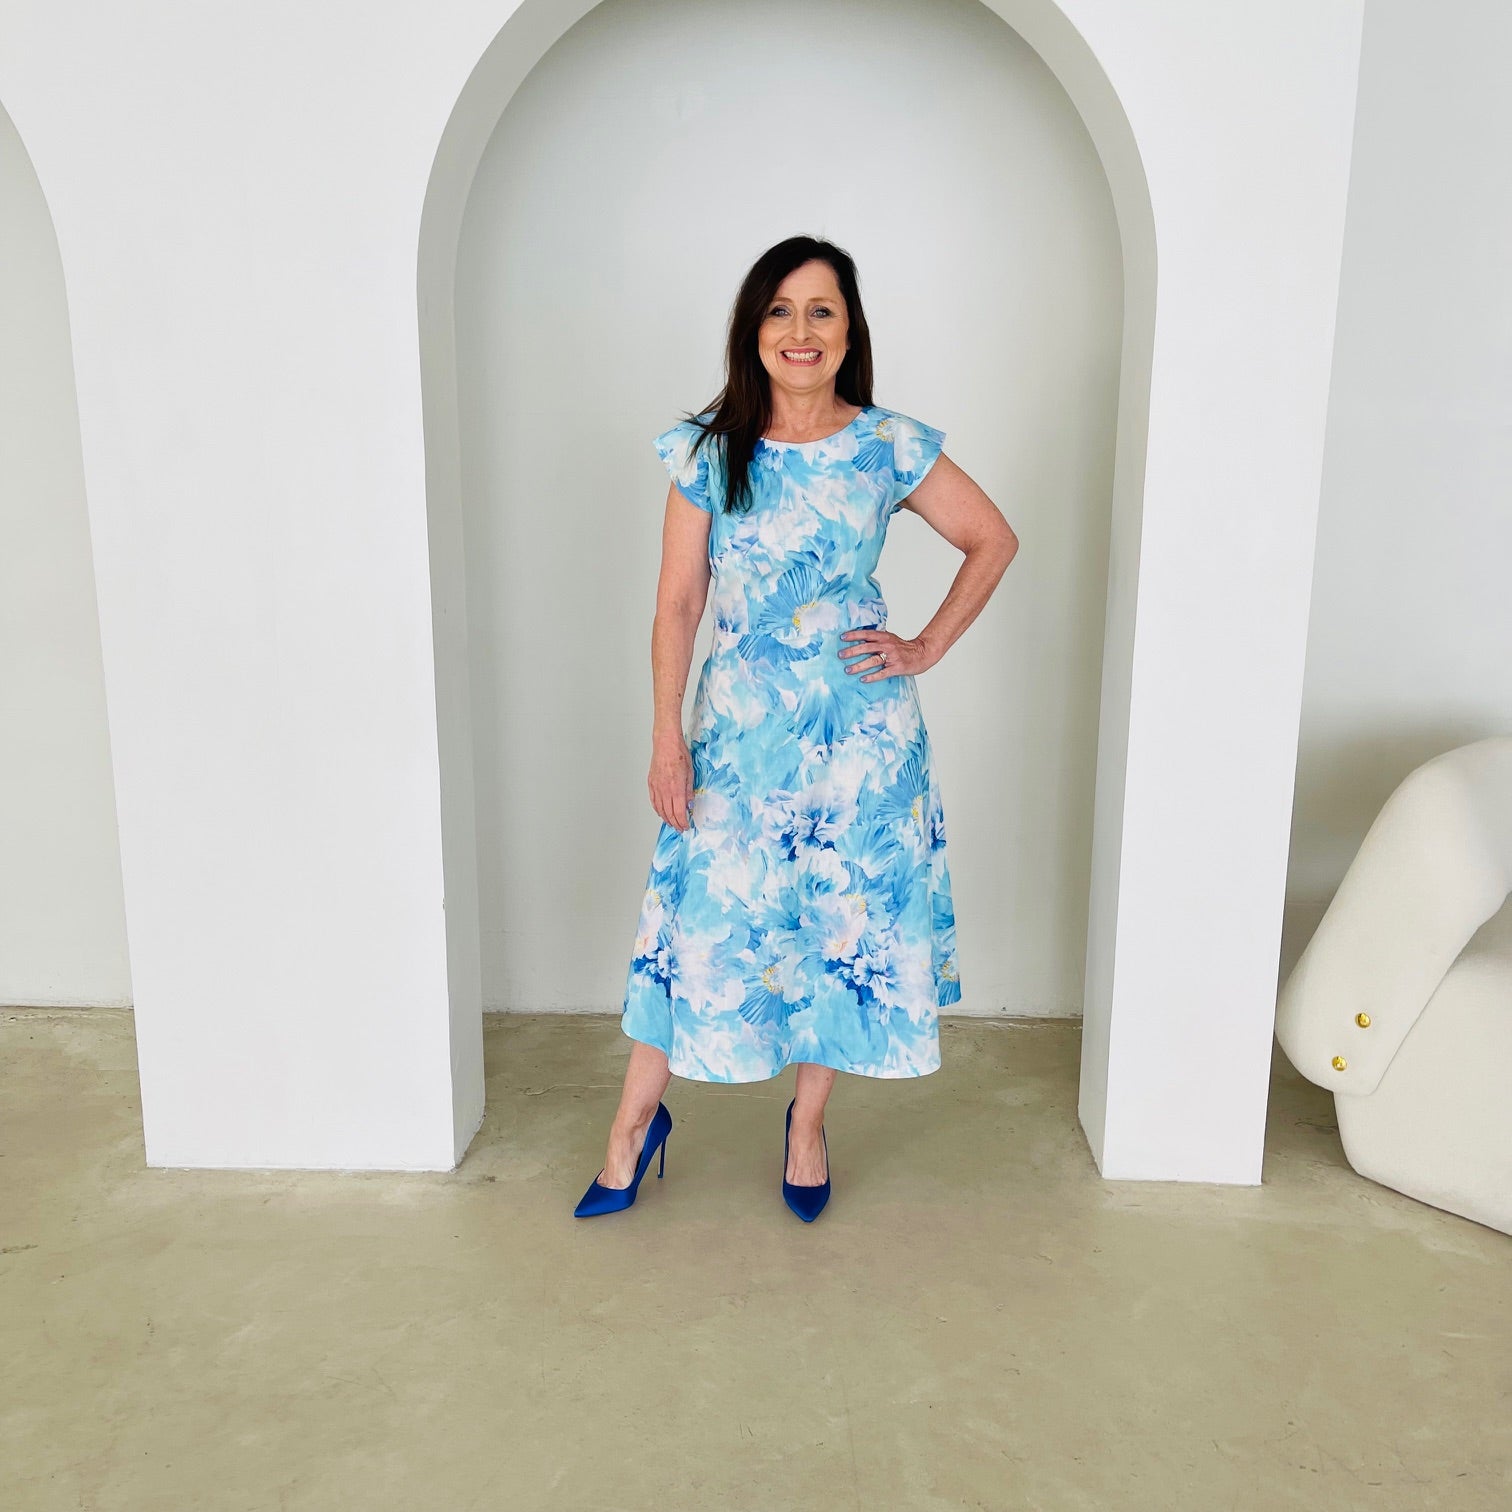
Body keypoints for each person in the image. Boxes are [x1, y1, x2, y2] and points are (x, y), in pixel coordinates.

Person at [574, 235, 1019, 1221]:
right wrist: (664, 738)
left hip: (862, 744)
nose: (800, 330)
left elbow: (994, 538)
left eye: (821, 309)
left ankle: (808, 1125)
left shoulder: (887, 444)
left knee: (835, 927)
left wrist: (927, 644)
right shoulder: (707, 450)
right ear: (753, 329)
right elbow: (678, 606)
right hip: (737, 737)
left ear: (849, 326)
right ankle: (632, 1126)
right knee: (699, 927)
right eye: (779, 310)